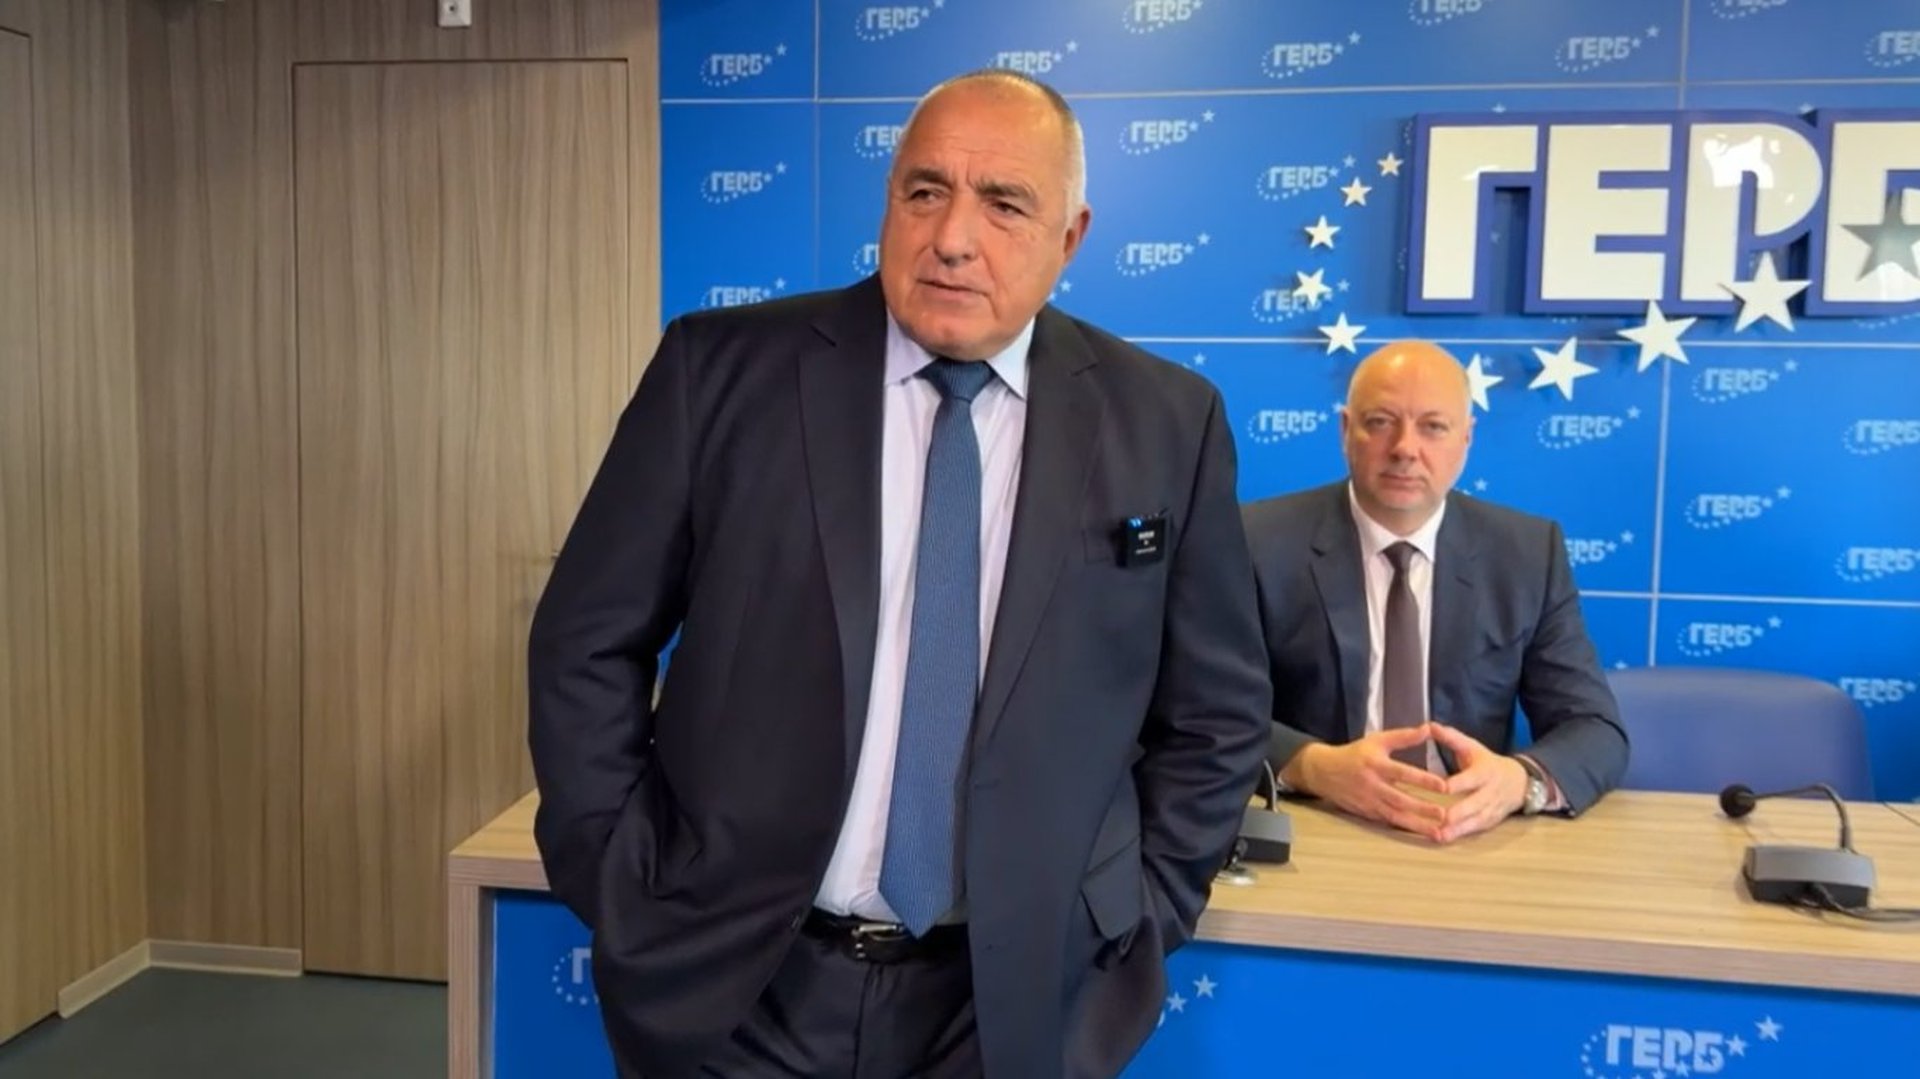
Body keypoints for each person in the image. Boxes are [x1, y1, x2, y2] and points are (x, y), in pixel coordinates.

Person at [527, 69, 1270, 1079]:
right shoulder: (722, 370)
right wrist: (617, 872)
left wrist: (1138, 911)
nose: (953, 236)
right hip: (735, 985)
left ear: (1070, 236)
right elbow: (587, 638)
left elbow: (1216, 713)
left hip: (1014, 1004)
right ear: (888, 202)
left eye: (1004, 203)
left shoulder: (1169, 422)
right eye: (926, 191)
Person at [1243, 340, 1627, 844]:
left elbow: (1595, 729)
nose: (1405, 448)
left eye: (1433, 427)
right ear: (1345, 431)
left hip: (1464, 835)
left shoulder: (1528, 554)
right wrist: (1312, 766)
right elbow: (1202, 708)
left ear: (1466, 438)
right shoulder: (1257, 542)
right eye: (1381, 422)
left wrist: (1519, 781)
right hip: (1316, 824)